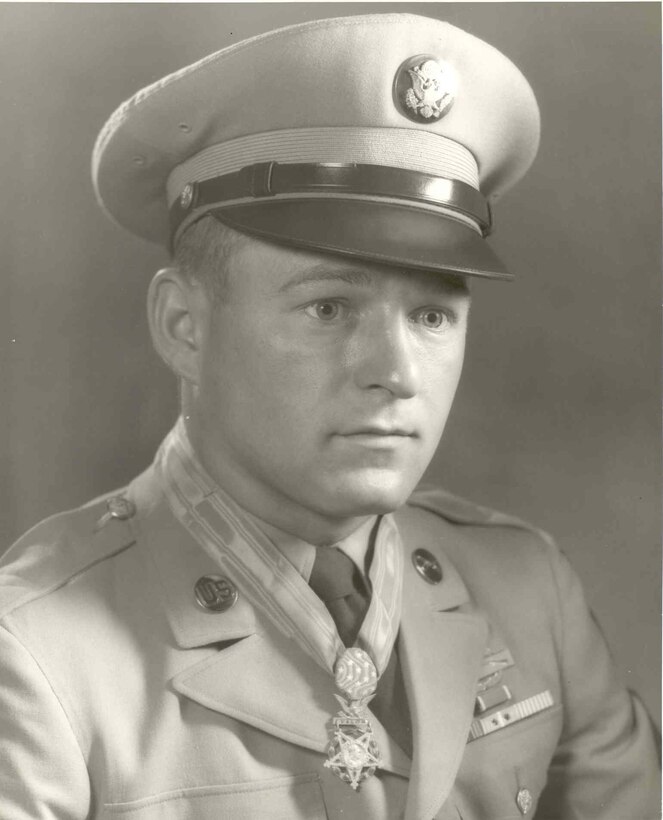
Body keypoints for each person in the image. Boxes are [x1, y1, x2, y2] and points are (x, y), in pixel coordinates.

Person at [0, 13, 658, 820]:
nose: (396, 374)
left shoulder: (528, 591)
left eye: (431, 316)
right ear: (183, 326)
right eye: (328, 308)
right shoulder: (35, 655)